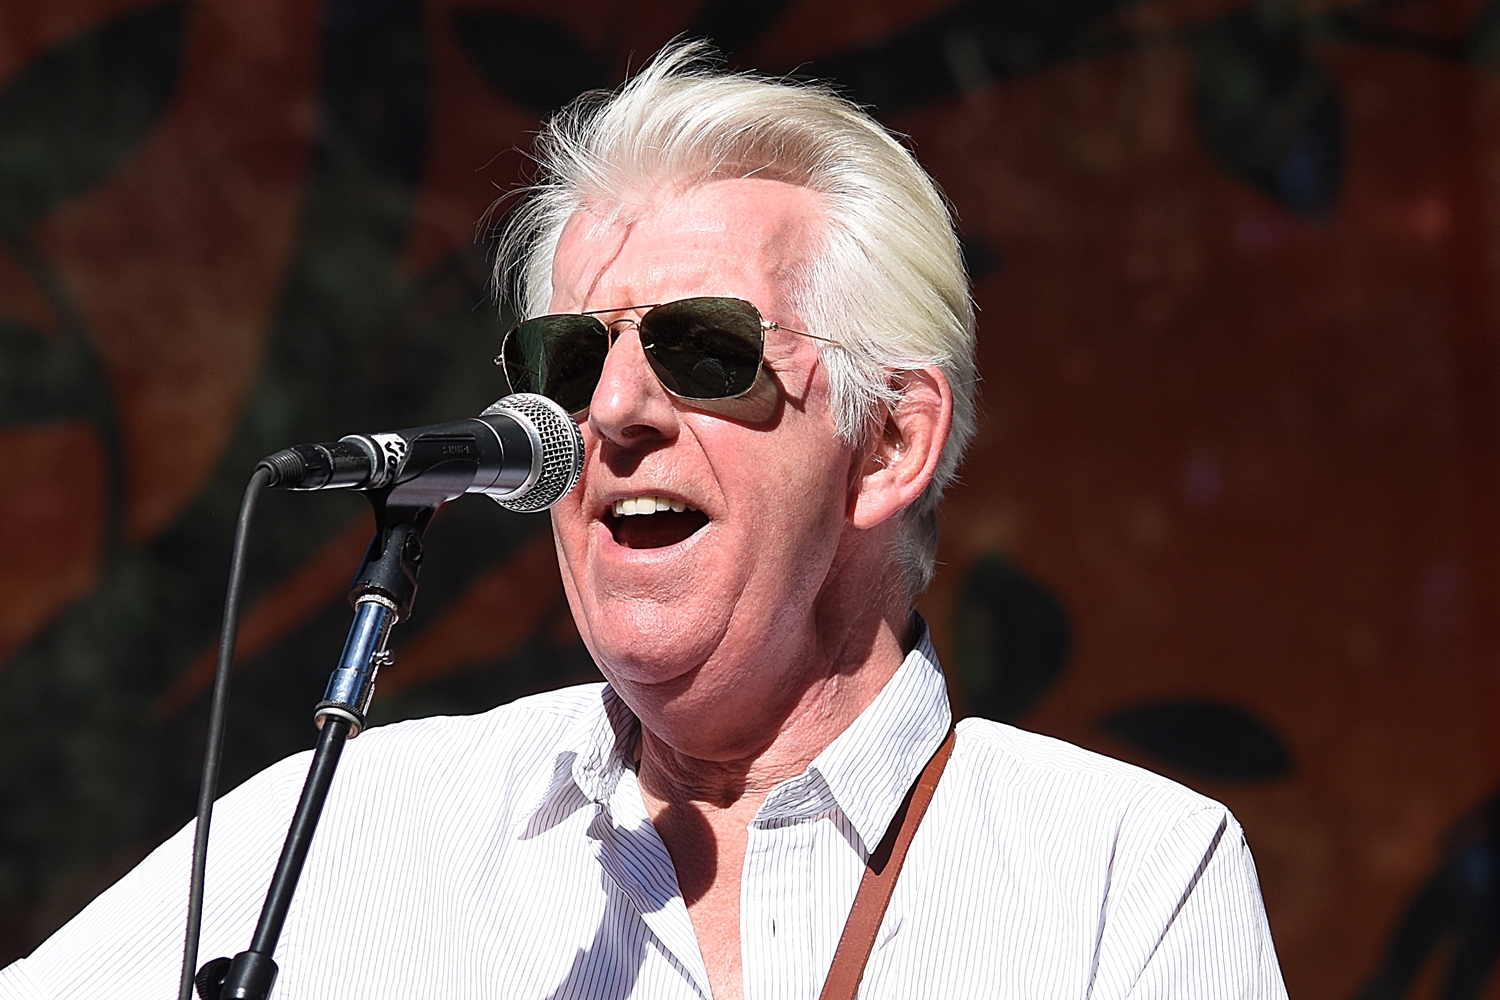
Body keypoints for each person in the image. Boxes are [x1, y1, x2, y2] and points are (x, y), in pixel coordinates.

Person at [0, 42, 1287, 1000]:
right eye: (566, 359)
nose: (610, 410)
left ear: (891, 442)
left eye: (703, 347)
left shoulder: (1125, 881)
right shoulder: (349, 830)